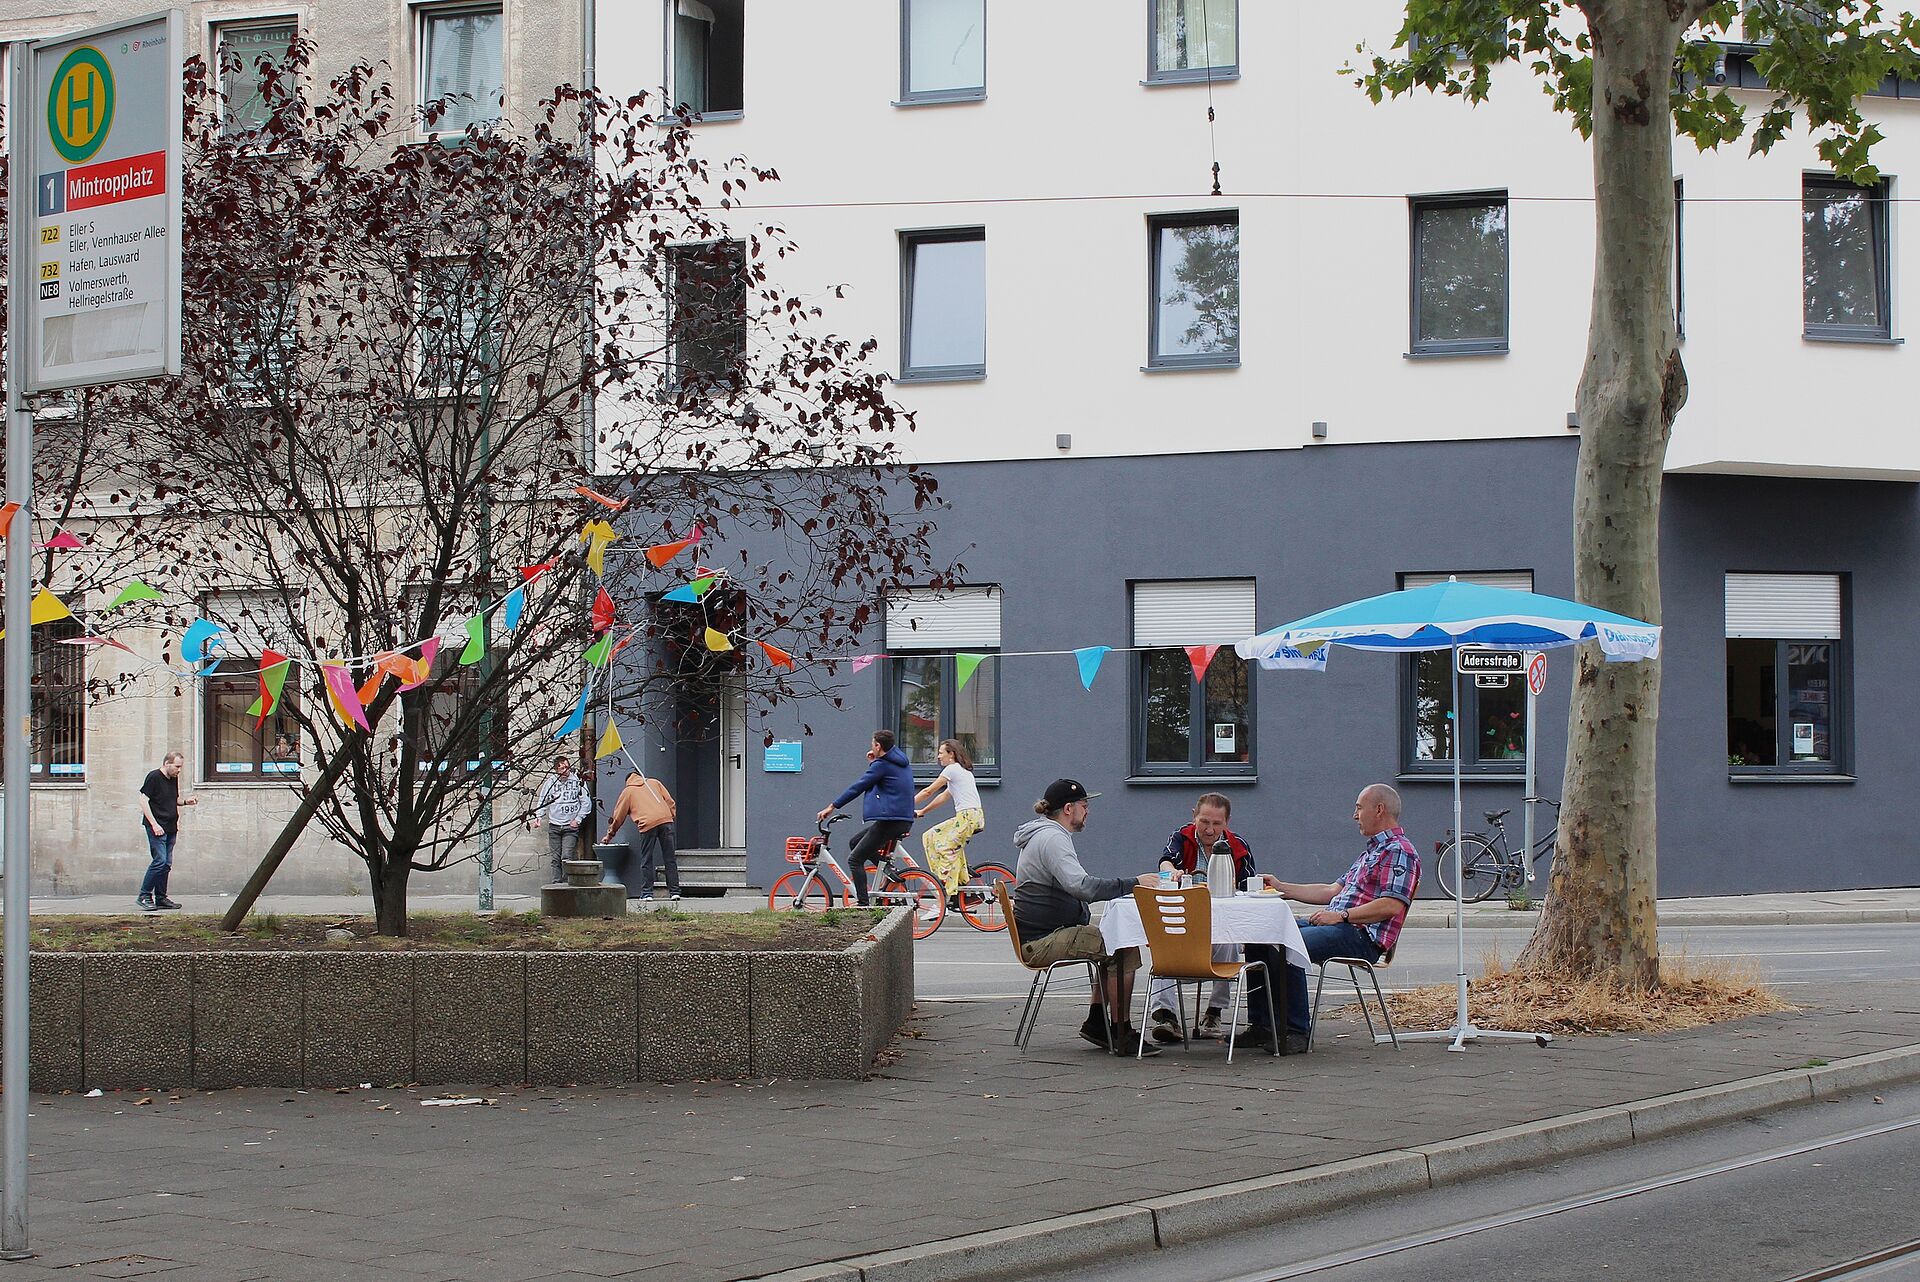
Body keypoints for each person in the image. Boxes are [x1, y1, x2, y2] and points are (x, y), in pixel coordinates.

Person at [1242, 783, 1421, 1056]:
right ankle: (1263, 1025)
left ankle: (1296, 1032)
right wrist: (1281, 887)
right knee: (1261, 936)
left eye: (1359, 808)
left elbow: (1391, 905)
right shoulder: (1371, 851)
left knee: (1289, 945)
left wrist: (1341, 916)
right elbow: (1331, 891)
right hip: (1341, 924)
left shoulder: (1399, 852)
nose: (1354, 815)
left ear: (1379, 809)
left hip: (1362, 936)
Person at [1011, 778, 1164, 1057]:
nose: (1088, 811)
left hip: (1042, 933)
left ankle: (1097, 1022)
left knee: (1110, 939)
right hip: (1042, 940)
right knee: (1121, 945)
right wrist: (1135, 882)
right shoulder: (1052, 838)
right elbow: (1082, 887)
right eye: (1084, 805)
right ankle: (1121, 1032)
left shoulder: (1042, 834)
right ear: (1068, 809)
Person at [1146, 792, 1257, 1043]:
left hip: (1221, 921)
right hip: (1185, 919)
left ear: (1227, 823)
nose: (1209, 830)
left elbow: (1248, 886)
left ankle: (1214, 1012)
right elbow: (1165, 862)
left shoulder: (1238, 846)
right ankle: (1166, 1015)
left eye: (1216, 824)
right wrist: (1172, 872)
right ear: (1194, 816)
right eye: (1204, 822)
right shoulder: (1181, 837)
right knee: (1163, 942)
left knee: (1229, 941)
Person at [817, 730, 915, 907]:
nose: (871, 747)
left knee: (854, 860)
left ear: (878, 746)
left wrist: (832, 806)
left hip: (891, 821)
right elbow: (883, 780)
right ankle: (887, 868)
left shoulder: (882, 765)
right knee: (855, 842)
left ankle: (863, 904)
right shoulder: (899, 762)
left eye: (873, 744)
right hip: (900, 819)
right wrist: (874, 762)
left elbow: (859, 786)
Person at [915, 738, 984, 904]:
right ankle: (962, 888)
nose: (938, 757)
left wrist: (905, 806)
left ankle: (947, 892)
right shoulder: (961, 772)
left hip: (968, 816)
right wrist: (923, 811)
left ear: (951, 754)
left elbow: (928, 791)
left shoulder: (952, 769)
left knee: (947, 848)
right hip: (968, 816)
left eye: (941, 753)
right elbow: (943, 796)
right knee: (930, 836)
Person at [603, 769, 679, 900]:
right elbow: (670, 801)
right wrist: (670, 816)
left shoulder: (628, 791)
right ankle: (674, 892)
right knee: (670, 858)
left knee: (647, 859)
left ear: (628, 781)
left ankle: (647, 893)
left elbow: (618, 817)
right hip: (666, 821)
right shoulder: (654, 783)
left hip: (647, 824)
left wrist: (610, 835)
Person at [136, 751, 197, 911]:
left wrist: (185, 802)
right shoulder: (154, 777)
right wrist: (154, 824)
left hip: (171, 826)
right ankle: (144, 895)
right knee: (160, 861)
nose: (179, 770)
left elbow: (172, 799)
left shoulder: (173, 779)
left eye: (180, 767)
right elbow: (143, 801)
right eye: (177, 766)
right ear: (167, 763)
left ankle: (161, 897)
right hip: (158, 827)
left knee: (166, 864)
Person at [531, 754, 594, 883]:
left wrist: (578, 819)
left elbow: (586, 802)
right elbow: (543, 800)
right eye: (562, 768)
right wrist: (538, 817)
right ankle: (556, 883)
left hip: (570, 826)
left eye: (567, 767)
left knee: (566, 856)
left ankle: (566, 883)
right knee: (555, 858)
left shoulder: (576, 780)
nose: (566, 770)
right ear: (556, 769)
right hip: (554, 825)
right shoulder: (551, 782)